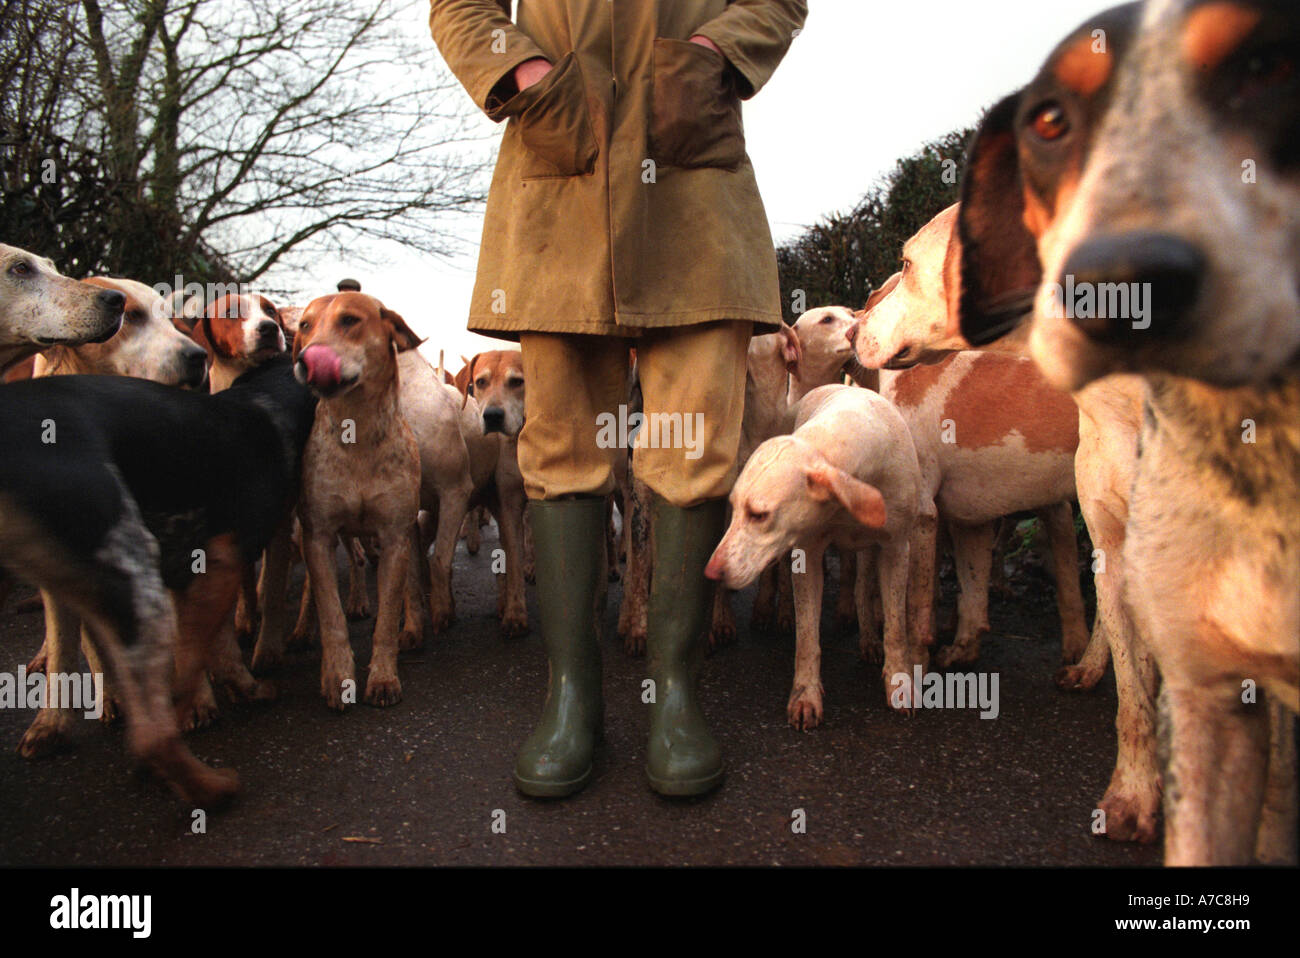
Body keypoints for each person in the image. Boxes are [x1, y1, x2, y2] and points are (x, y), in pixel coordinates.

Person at [429, 0, 806, 798]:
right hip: (559, 168)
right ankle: (572, 695)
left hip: (695, 183)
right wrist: (528, 74)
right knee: (562, 449)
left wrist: (709, 57)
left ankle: (677, 693)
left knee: (696, 450)